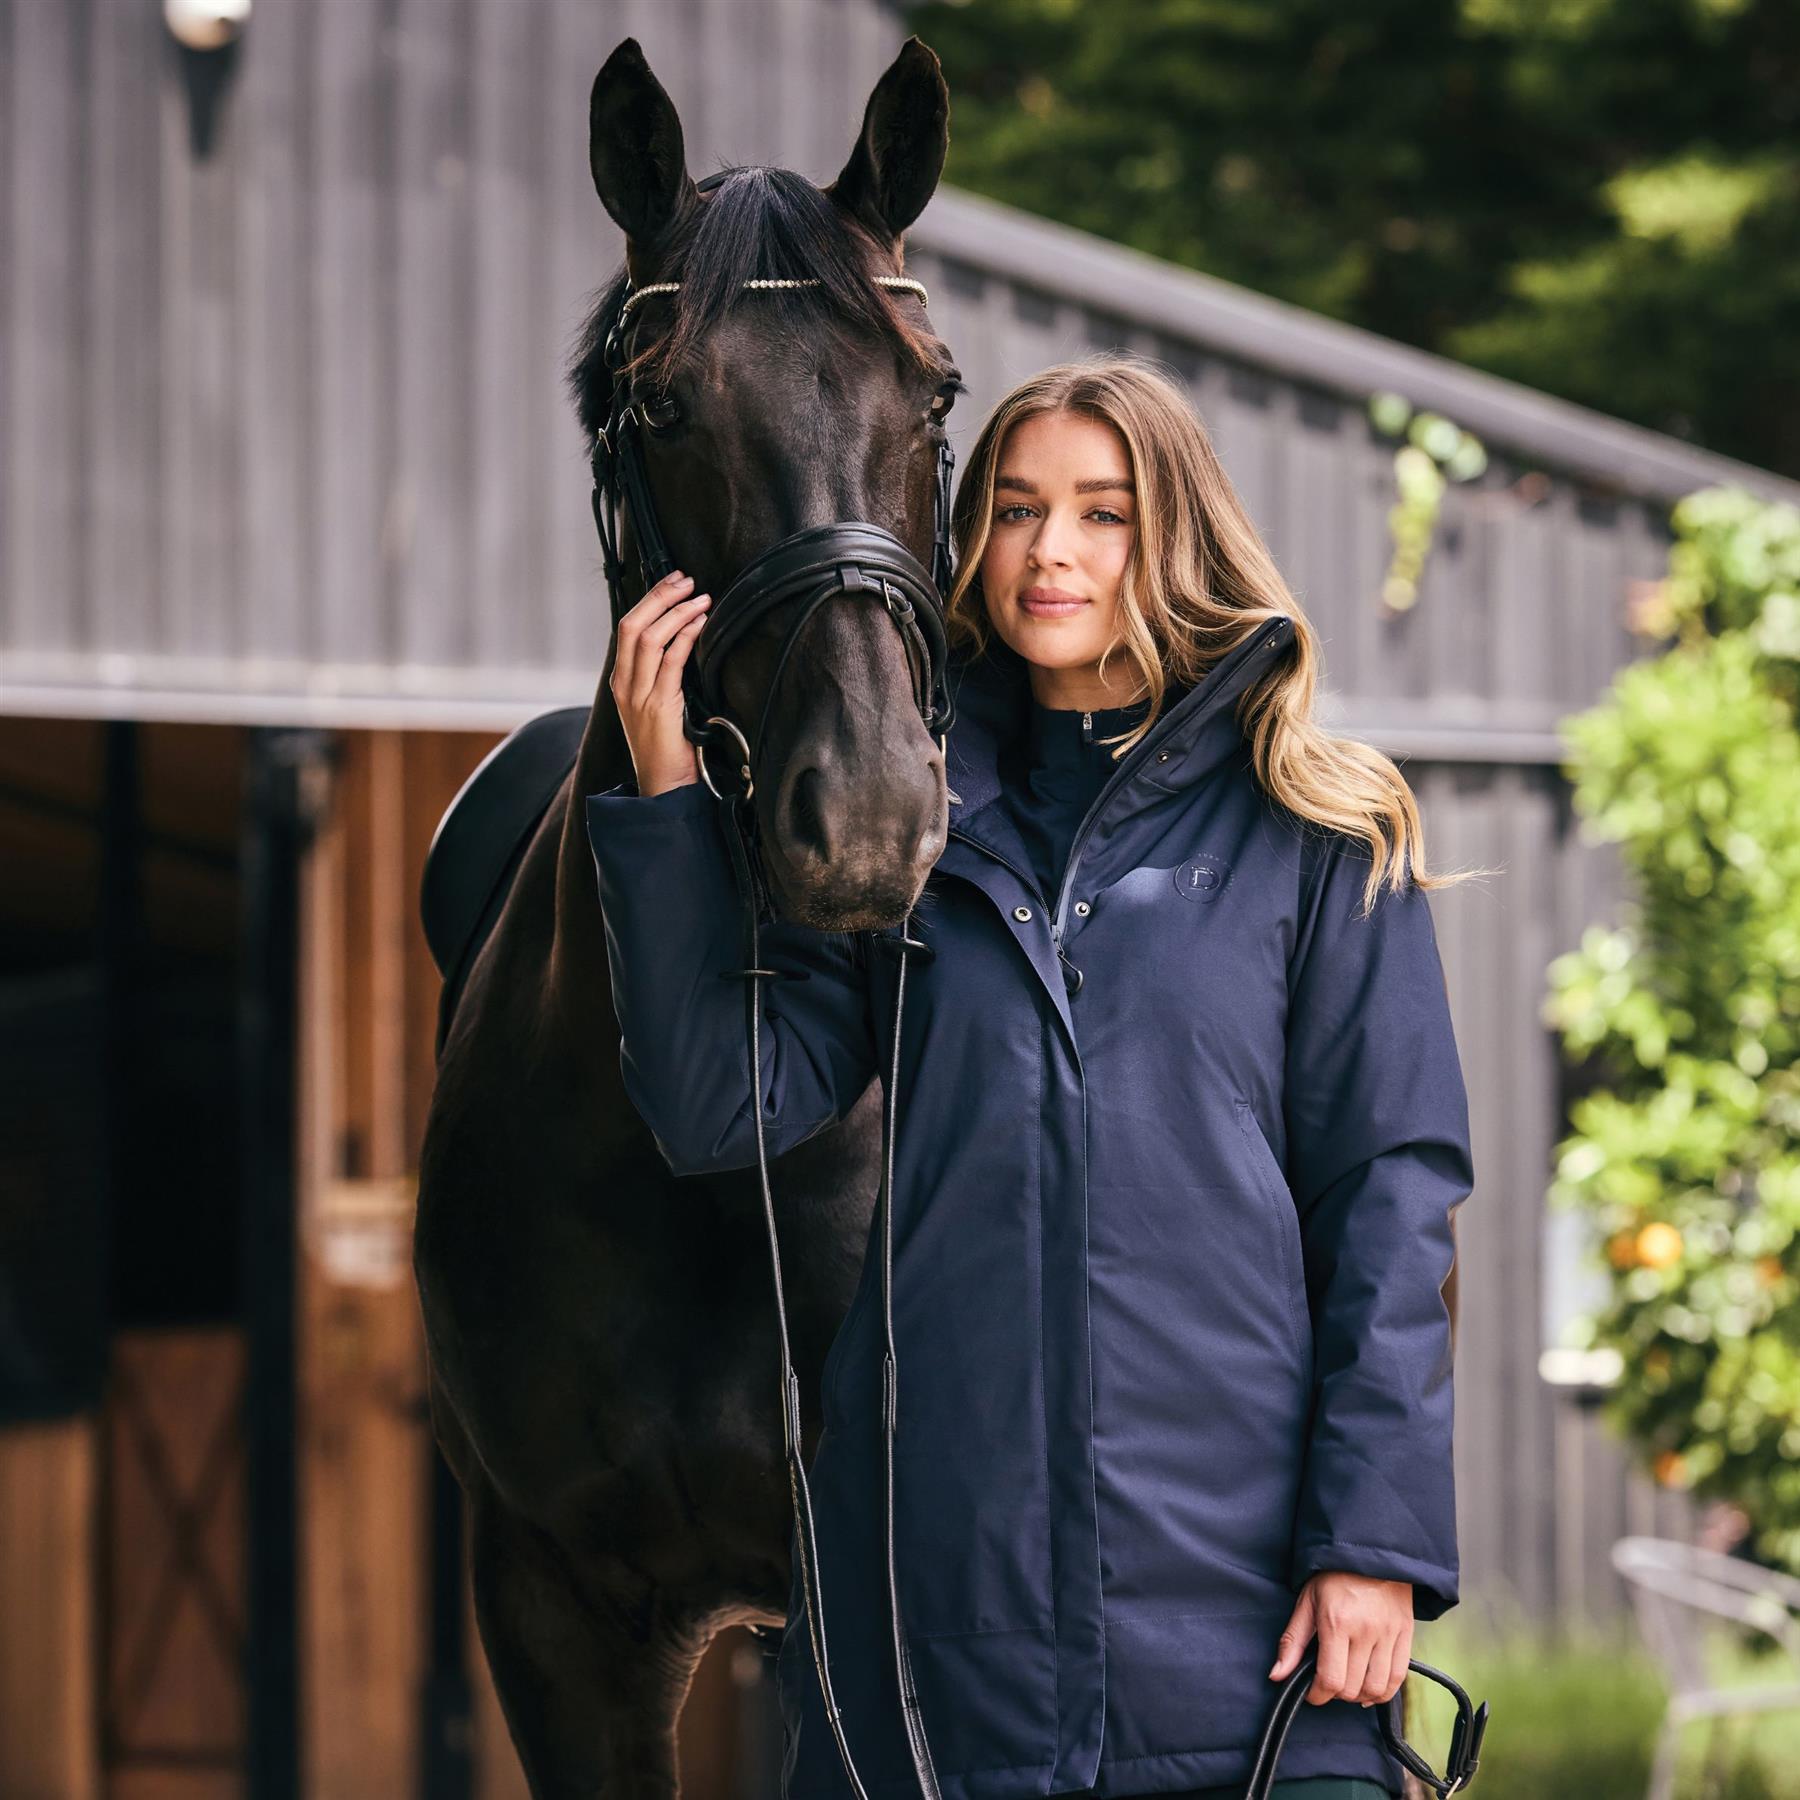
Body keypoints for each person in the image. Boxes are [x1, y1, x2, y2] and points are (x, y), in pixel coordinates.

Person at [586, 354, 1481, 1799]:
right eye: (1013, 509)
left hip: (1253, 1633)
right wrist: (667, 802)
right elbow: (719, 1105)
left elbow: (1390, 1205)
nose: (1049, 549)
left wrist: (1373, 1545)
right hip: (939, 1637)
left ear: (1174, 536)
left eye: (1101, 513)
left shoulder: (1320, 833)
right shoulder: (895, 827)